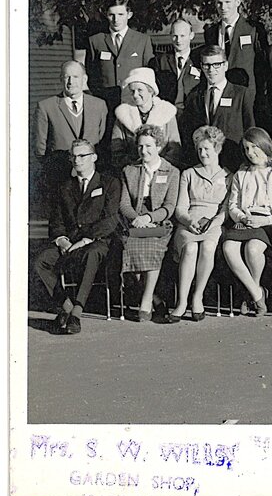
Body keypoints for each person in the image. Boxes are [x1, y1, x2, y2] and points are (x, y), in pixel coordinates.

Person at [33, 139, 121, 335]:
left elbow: (111, 219)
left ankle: (77, 313)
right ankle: (66, 307)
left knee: (92, 254)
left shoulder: (109, 183)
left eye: (82, 156)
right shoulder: (65, 187)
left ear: (94, 158)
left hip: (96, 242)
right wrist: (62, 239)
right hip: (69, 242)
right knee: (40, 262)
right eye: (73, 156)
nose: (77, 160)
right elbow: (56, 221)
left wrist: (85, 239)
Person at [222, 128, 272, 317]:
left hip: (269, 223)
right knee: (229, 247)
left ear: (265, 145)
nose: (250, 153)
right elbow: (232, 206)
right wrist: (243, 218)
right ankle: (257, 293)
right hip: (246, 220)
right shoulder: (241, 174)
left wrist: (265, 220)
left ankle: (251, 295)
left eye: (254, 147)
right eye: (246, 149)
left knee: (252, 249)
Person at [118, 124, 180, 321]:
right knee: (131, 247)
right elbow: (124, 203)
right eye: (140, 146)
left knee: (152, 247)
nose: (143, 151)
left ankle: (145, 302)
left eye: (148, 146)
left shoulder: (172, 172)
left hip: (159, 222)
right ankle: (153, 298)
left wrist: (150, 218)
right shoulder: (129, 170)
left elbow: (170, 206)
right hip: (135, 220)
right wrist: (136, 219)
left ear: (159, 146)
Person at [167, 125, 230, 323]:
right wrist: (189, 221)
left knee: (209, 246)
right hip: (189, 223)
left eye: (207, 149)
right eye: (199, 149)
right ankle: (182, 301)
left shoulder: (228, 176)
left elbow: (226, 210)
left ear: (217, 149)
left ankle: (198, 297)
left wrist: (215, 223)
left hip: (214, 224)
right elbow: (180, 209)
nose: (202, 153)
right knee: (192, 248)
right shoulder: (188, 174)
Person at [179, 45, 255, 172]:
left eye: (216, 65)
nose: (211, 70)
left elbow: (250, 130)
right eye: (206, 65)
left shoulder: (241, 94)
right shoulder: (195, 95)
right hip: (204, 166)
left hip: (234, 164)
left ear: (225, 65)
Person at [34, 60, 108, 189]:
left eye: (75, 77)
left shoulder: (99, 105)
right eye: (66, 77)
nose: (70, 82)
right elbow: (40, 148)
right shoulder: (46, 106)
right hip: (59, 177)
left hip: (90, 176)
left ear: (84, 79)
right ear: (61, 79)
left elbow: (101, 137)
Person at [84, 0, 154, 110]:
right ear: (106, 15)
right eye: (112, 15)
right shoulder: (96, 41)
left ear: (129, 14)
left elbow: (148, 75)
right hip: (105, 104)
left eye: (121, 14)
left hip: (133, 103)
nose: (116, 19)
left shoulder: (142, 40)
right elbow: (91, 75)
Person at [202, 0, 266, 103]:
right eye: (219, 3)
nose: (223, 7)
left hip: (247, 95)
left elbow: (262, 67)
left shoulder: (253, 29)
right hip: (219, 94)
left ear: (237, 2)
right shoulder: (211, 32)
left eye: (227, 2)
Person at [111, 67, 181, 167]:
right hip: (132, 170)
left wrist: (158, 166)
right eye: (132, 91)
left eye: (140, 90)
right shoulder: (123, 114)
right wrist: (133, 167)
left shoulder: (166, 112)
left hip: (162, 170)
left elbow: (175, 149)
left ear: (151, 91)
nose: (135, 95)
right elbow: (116, 149)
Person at [152, 17, 202, 110]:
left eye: (182, 36)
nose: (178, 40)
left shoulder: (199, 60)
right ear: (170, 36)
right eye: (175, 36)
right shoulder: (160, 61)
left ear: (191, 36)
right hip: (167, 112)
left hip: (193, 113)